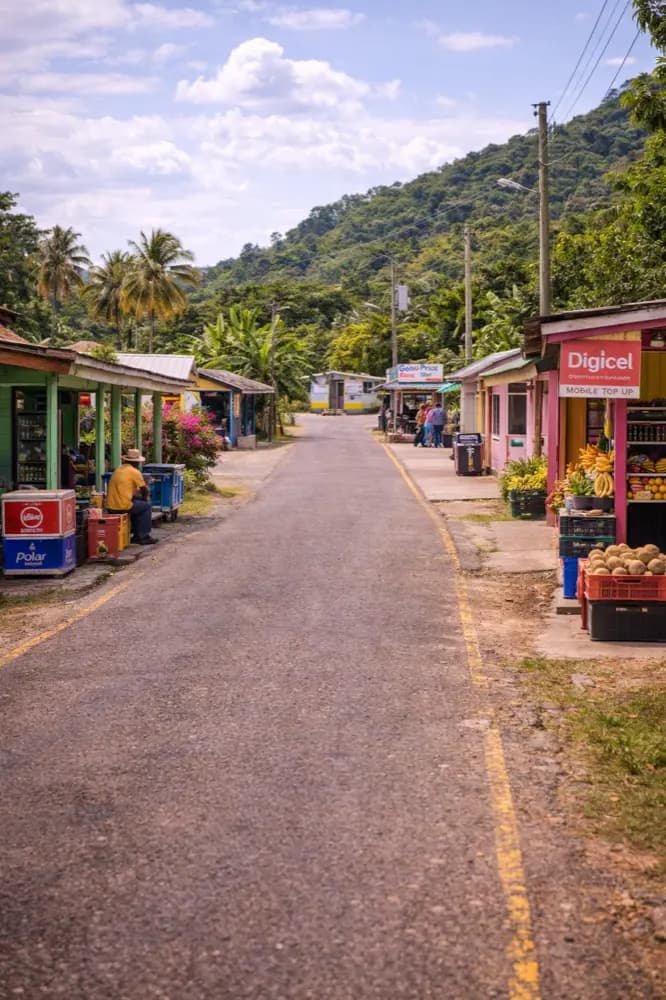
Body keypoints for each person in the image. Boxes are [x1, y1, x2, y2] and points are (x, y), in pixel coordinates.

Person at [105, 448, 158, 545]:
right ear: (136, 463)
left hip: (110, 505)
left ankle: (136, 534)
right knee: (146, 506)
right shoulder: (134, 471)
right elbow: (144, 489)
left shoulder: (119, 469)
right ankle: (143, 536)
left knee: (138, 503)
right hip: (121, 506)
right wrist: (146, 497)